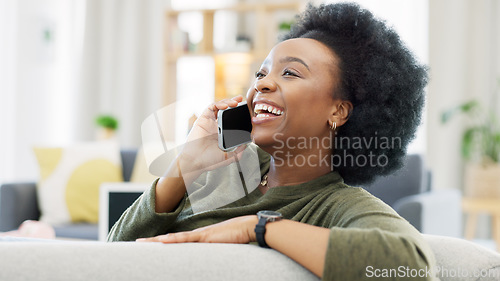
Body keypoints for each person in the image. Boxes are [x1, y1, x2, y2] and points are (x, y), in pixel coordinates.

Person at [108, 3, 435, 280]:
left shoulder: (334, 205)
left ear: (338, 111)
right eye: (261, 75)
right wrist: (185, 167)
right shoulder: (222, 171)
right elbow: (110, 256)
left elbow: (413, 267)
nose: (262, 85)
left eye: (290, 73)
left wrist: (259, 229)